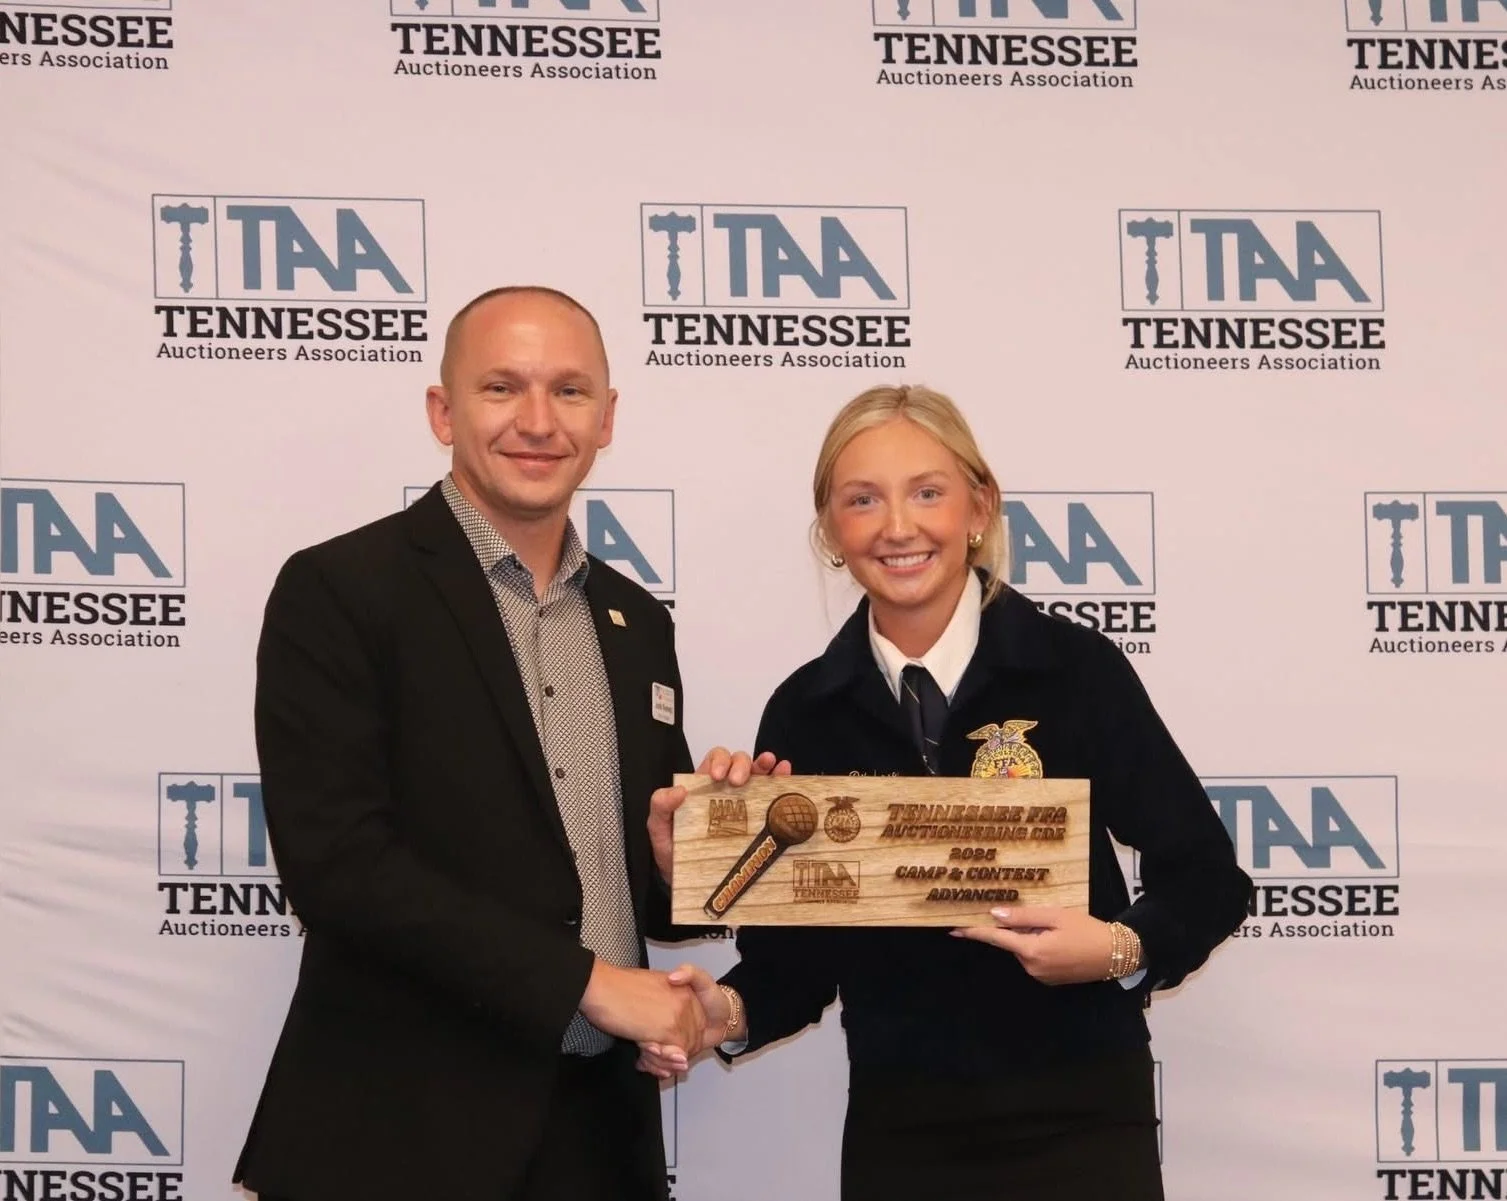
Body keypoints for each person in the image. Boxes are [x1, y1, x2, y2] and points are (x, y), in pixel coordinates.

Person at [641, 384, 1253, 1200]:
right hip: (902, 1131)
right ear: (830, 530)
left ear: (979, 506)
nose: (897, 526)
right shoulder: (806, 709)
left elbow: (1207, 877)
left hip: (1082, 1115)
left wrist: (1117, 948)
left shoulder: (1074, 671)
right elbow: (795, 963)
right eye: (863, 499)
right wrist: (720, 1010)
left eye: (926, 492)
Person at [233, 285, 778, 1201]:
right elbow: (337, 867)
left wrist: (681, 859)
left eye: (568, 390)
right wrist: (586, 984)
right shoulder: (340, 590)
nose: (537, 420)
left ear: (607, 419)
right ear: (442, 412)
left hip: (599, 1140)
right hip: (397, 1135)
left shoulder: (637, 621)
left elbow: (633, 892)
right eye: (501, 387)